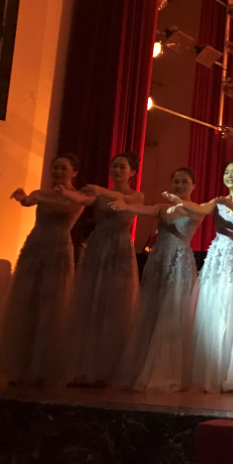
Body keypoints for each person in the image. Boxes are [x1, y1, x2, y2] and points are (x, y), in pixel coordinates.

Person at [0, 155, 84, 385]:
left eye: (63, 168)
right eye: (55, 167)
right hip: (35, 245)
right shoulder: (41, 193)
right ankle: (19, 367)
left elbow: (65, 207)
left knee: (51, 305)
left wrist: (36, 198)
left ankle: (42, 369)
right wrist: (26, 198)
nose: (58, 171)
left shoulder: (77, 197)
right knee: (25, 303)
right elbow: (28, 201)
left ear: (74, 172)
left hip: (58, 248)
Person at [168, 159, 233, 393]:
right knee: (215, 308)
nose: (229, 176)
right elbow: (199, 209)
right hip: (218, 255)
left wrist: (229, 203)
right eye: (226, 172)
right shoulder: (217, 201)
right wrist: (180, 201)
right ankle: (213, 372)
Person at [113, 167, 204, 391]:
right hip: (158, 260)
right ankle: (144, 367)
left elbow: (194, 212)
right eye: (176, 181)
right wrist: (126, 206)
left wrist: (178, 202)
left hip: (179, 262)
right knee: (151, 312)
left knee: (172, 314)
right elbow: (145, 209)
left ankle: (165, 371)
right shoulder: (162, 208)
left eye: (184, 182)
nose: (179, 185)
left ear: (193, 185)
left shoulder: (196, 208)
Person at [60, 152, 143, 386]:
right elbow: (83, 199)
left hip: (119, 250)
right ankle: (85, 368)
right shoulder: (97, 193)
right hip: (98, 248)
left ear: (132, 173)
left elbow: (124, 200)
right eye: (114, 165)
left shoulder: (136, 195)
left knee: (114, 306)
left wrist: (99, 190)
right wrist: (65, 191)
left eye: (122, 167)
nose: (116, 170)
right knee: (90, 305)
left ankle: (107, 370)